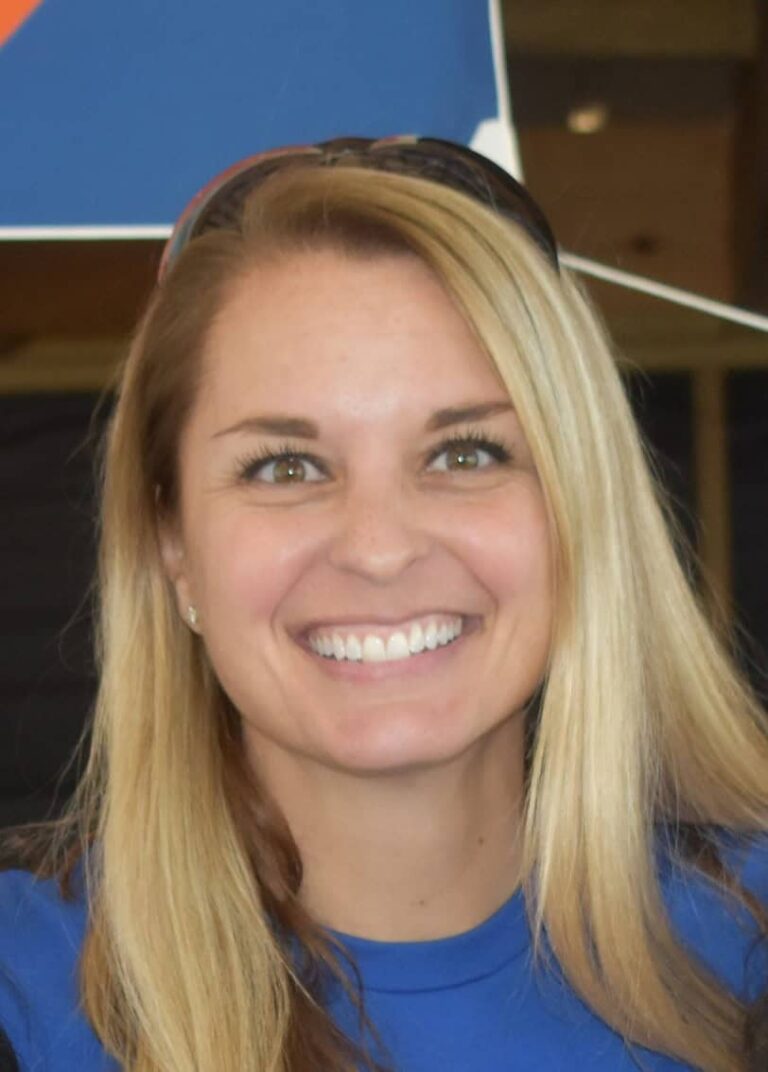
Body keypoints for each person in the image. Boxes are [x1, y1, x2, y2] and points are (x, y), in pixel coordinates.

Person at [0, 135, 767, 1072]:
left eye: (465, 454)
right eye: (285, 467)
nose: (378, 548)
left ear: (580, 509)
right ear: (174, 547)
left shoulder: (749, 947)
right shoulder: (23, 994)